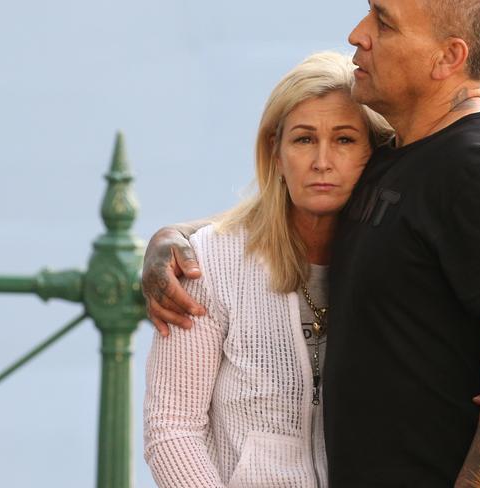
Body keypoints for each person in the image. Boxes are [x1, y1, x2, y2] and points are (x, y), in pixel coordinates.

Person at [143, 1, 480, 487]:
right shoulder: (400, 160)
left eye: (384, 22)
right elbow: (292, 213)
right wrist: (173, 238)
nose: (358, 34)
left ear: (448, 57)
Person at [143, 51, 393, 487]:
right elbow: (171, 429)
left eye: (344, 139)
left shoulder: (397, 262)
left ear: (372, 154)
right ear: (275, 153)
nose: (322, 161)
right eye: (303, 139)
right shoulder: (212, 262)